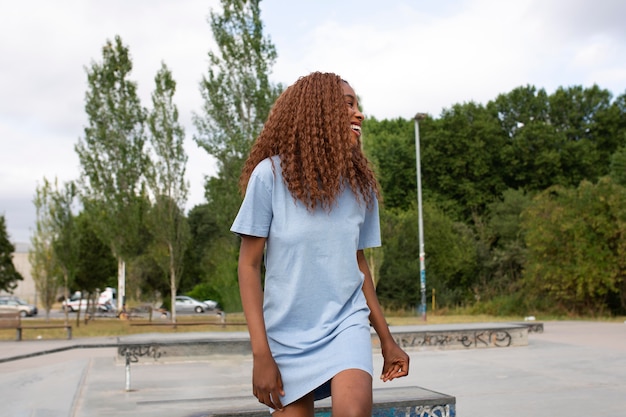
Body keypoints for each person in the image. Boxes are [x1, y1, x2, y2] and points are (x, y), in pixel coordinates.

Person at [231, 72, 410, 416]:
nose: (358, 114)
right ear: (319, 112)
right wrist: (261, 354)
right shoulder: (269, 177)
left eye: (357, 105)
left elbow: (358, 267)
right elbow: (248, 266)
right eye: (347, 104)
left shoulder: (359, 188)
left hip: (346, 324)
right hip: (286, 334)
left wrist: (387, 339)